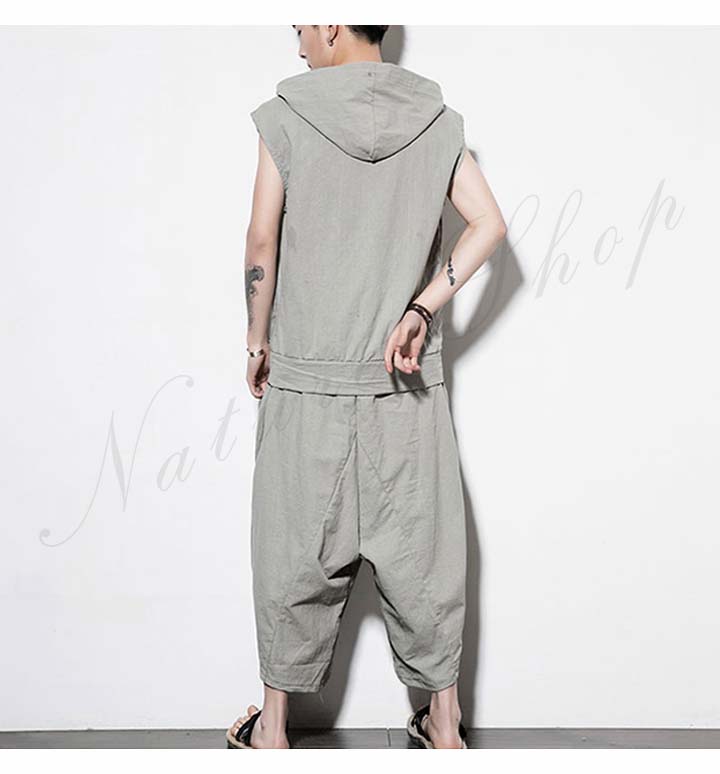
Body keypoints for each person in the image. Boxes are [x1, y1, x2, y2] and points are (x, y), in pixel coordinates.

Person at [227, 25, 507, 750]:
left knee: (290, 554)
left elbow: (261, 239)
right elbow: (488, 224)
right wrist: (422, 309)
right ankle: (444, 726)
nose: (298, 45)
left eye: (300, 27)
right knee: (426, 561)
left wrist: (257, 340)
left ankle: (273, 730)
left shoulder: (287, 117)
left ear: (330, 23)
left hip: (307, 383)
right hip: (404, 388)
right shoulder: (437, 124)